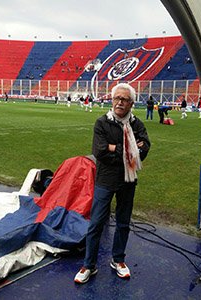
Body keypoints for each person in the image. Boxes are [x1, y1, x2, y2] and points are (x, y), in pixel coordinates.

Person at [74, 83, 150, 284]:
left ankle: (118, 260)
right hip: (105, 180)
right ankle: (89, 265)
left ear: (131, 103)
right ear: (112, 100)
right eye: (117, 98)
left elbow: (145, 148)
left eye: (124, 99)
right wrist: (128, 149)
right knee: (96, 223)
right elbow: (99, 151)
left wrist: (115, 149)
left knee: (123, 223)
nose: (119, 102)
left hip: (128, 180)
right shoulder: (102, 123)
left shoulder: (137, 124)